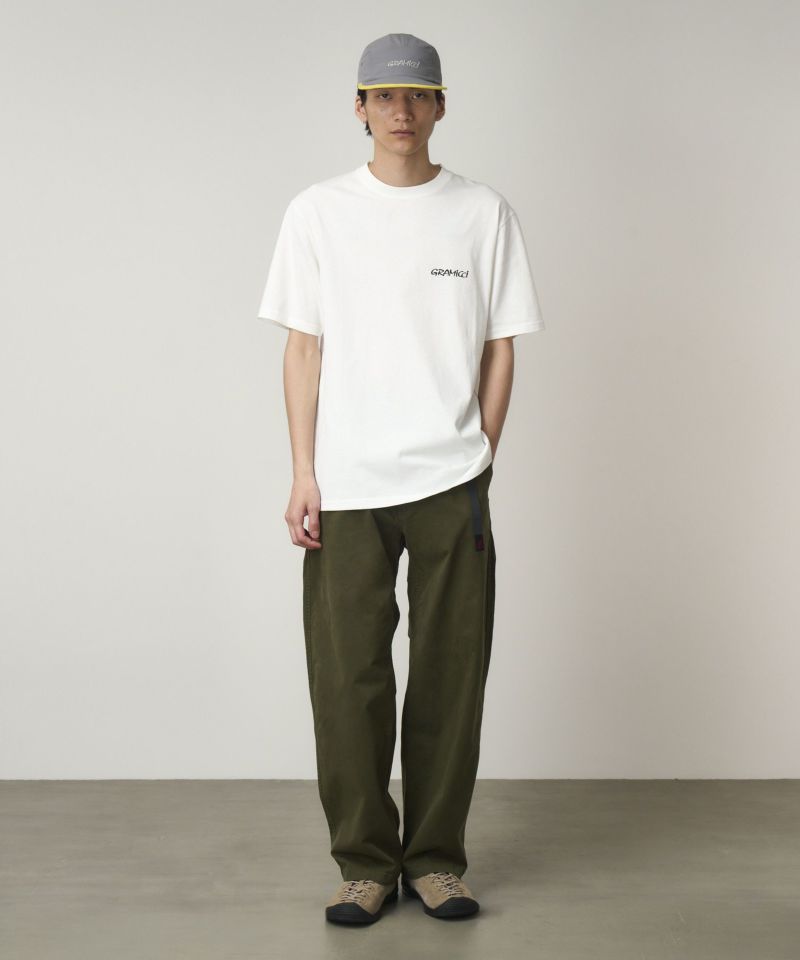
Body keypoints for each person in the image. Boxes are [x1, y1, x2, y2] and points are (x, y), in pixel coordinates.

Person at [257, 32, 545, 925]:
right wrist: (303, 472)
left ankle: (436, 862)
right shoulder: (318, 212)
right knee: (348, 680)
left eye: (417, 95)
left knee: (451, 677)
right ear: (359, 107)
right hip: (346, 483)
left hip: (451, 480)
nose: (401, 111)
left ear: (441, 106)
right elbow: (303, 350)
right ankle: (364, 865)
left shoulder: (482, 212)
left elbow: (500, 346)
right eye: (383, 96)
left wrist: (480, 455)